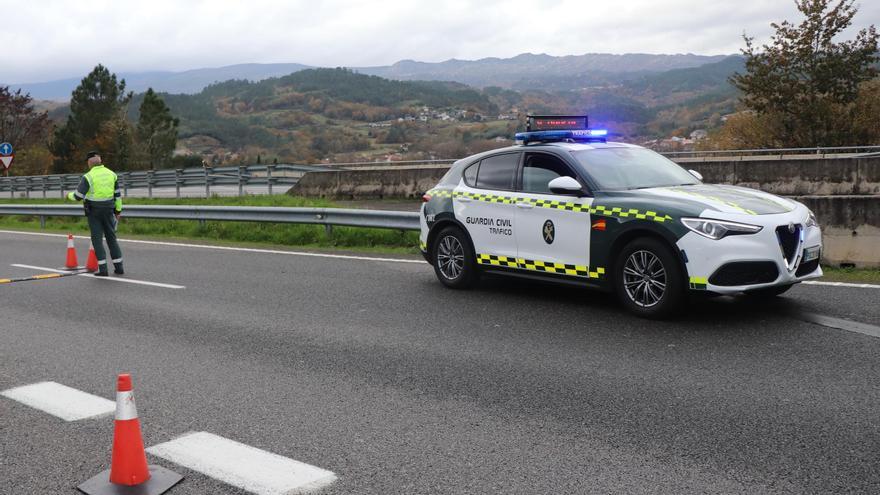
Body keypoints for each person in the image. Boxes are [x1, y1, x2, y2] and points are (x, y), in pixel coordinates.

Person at [66, 151, 124, 276]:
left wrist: (68, 195)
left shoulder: (88, 177)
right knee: (111, 239)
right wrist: (118, 211)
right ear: (100, 161)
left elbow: (78, 196)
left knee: (97, 240)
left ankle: (103, 270)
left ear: (89, 163)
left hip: (94, 212)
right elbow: (118, 196)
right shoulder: (112, 174)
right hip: (109, 210)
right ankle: (119, 268)